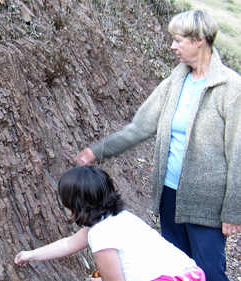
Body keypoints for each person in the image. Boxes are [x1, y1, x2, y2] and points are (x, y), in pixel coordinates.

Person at [75, 9, 241, 281]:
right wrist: (98, 150)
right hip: (169, 195)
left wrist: (234, 210)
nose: (173, 46)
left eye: (178, 40)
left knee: (210, 272)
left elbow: (238, 152)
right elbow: (140, 127)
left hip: (208, 203)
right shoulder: (175, 81)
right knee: (175, 268)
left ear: (199, 40)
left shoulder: (230, 87)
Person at [14, 166, 205, 281]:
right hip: (189, 273)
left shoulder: (101, 235)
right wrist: (30, 255)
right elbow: (69, 244)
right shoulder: (118, 219)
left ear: (75, 203)